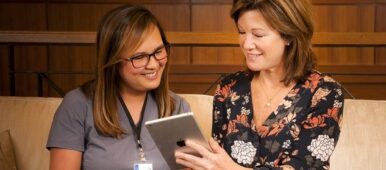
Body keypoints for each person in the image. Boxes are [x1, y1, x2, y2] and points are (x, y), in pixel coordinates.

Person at [175, 0, 344, 169]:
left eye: (258, 35)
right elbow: (218, 158)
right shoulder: (228, 88)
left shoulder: (325, 92)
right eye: (242, 32)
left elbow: (305, 166)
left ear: (289, 35)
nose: (246, 44)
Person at [46, 4, 190, 170]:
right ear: (113, 60)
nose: (153, 64)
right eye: (140, 57)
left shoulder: (176, 106)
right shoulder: (77, 105)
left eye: (158, 51)